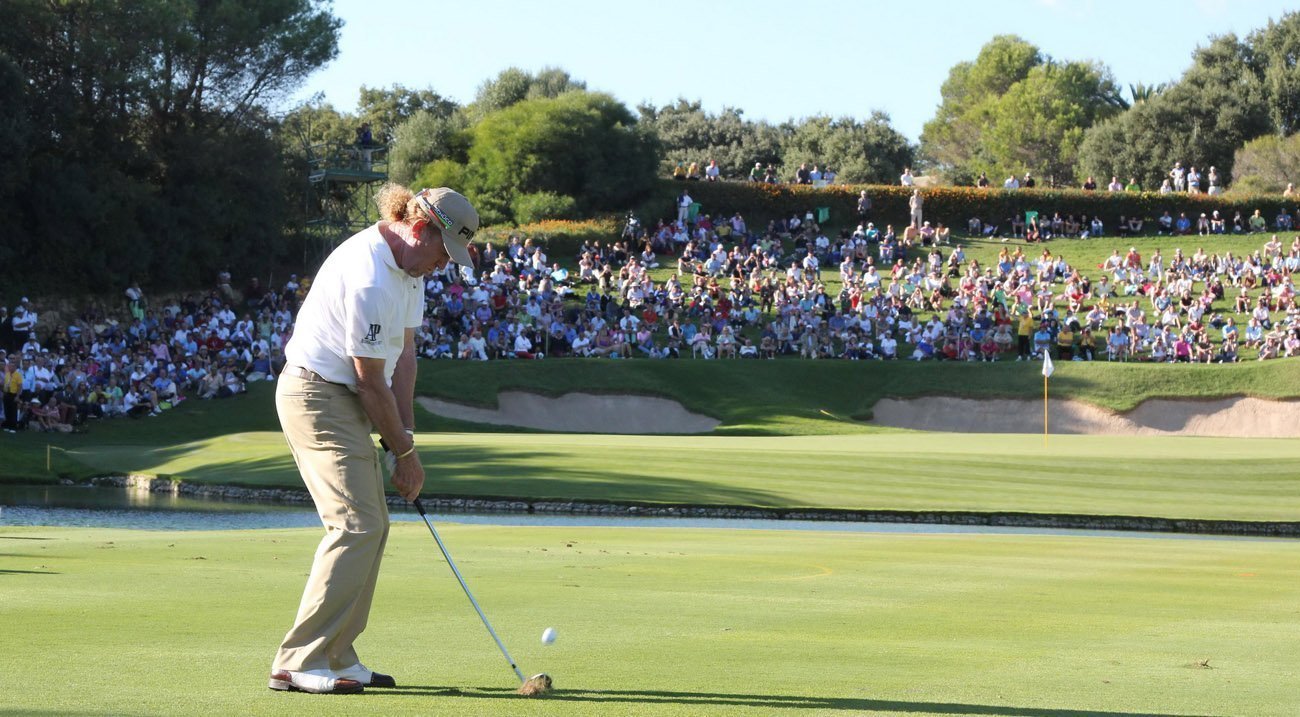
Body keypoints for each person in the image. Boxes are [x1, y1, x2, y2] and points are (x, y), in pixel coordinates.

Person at [269, 183, 479, 695]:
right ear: (420, 227)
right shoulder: (370, 277)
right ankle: (299, 660)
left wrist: (404, 438)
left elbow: (404, 357)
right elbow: (368, 380)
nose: (442, 265)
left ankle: (339, 654)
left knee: (373, 526)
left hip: (348, 395)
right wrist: (404, 457)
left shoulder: (410, 269)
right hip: (316, 393)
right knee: (355, 524)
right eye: (442, 252)